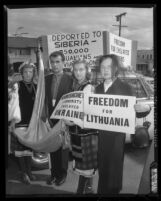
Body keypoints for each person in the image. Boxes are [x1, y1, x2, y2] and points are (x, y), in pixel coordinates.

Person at [95, 54, 134, 194]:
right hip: (101, 138)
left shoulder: (126, 88)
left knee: (114, 173)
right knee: (103, 170)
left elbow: (134, 111)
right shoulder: (97, 89)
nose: (105, 70)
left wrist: (145, 109)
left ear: (115, 68)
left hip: (117, 139)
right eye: (103, 67)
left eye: (109, 67)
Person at [64, 60, 98, 194]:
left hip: (86, 132)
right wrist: (67, 118)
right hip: (77, 131)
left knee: (85, 164)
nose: (78, 72)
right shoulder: (75, 86)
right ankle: (89, 188)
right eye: (76, 70)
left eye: (81, 70)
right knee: (82, 162)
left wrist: (72, 120)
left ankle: (80, 190)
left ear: (87, 71)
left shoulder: (88, 87)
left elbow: (88, 111)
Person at [43, 51, 73, 186]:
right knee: (53, 147)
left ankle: (62, 174)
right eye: (52, 62)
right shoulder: (47, 79)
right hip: (51, 119)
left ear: (63, 63)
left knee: (63, 148)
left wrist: (68, 119)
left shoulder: (70, 79)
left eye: (57, 62)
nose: (54, 65)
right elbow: (43, 100)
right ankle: (54, 174)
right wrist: (45, 118)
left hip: (64, 119)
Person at [9, 61, 37, 185]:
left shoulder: (36, 87)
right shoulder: (17, 86)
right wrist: (13, 122)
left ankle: (29, 171)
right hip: (20, 121)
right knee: (20, 149)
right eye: (25, 72)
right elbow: (12, 105)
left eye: (30, 72)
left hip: (31, 122)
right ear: (21, 73)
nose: (27, 74)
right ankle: (24, 172)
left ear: (33, 73)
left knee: (29, 148)